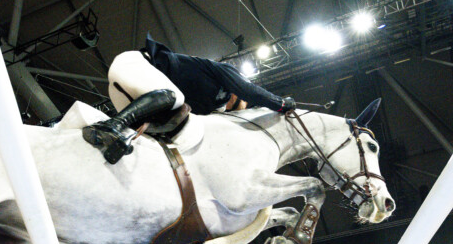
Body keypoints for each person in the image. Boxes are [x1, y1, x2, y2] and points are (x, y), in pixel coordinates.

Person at [83, 35, 295, 163]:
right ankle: (112, 124)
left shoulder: (210, 111)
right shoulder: (225, 72)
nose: (233, 107)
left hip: (132, 94)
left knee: (164, 129)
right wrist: (281, 104)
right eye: (240, 104)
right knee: (175, 97)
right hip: (135, 65)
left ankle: (113, 136)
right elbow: (250, 91)